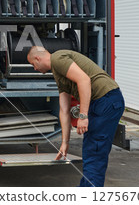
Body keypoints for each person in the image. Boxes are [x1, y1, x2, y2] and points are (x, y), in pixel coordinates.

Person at [27, 46, 125, 187]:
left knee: (94, 153)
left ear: (38, 58)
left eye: (33, 64)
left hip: (106, 99)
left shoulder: (58, 58)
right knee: (91, 152)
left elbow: (84, 80)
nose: (34, 68)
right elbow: (64, 109)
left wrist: (83, 116)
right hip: (102, 102)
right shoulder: (58, 72)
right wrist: (65, 142)